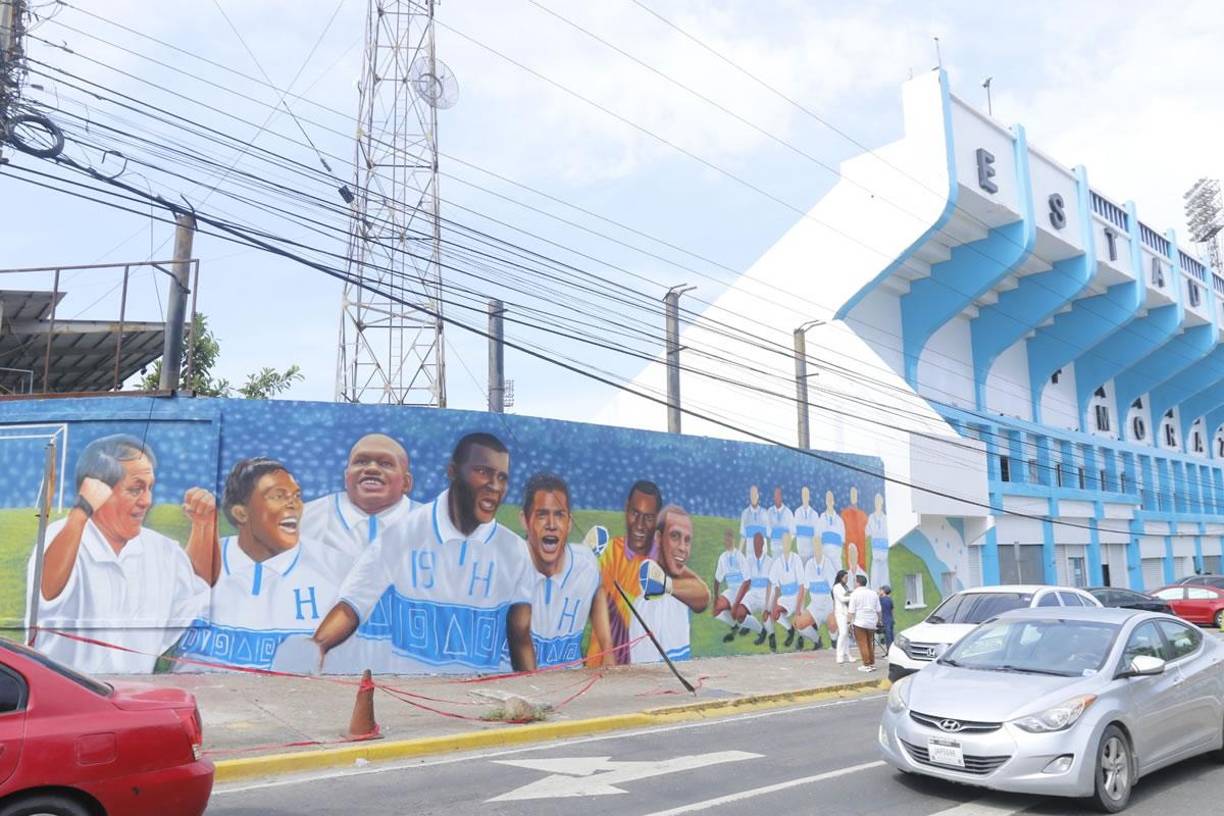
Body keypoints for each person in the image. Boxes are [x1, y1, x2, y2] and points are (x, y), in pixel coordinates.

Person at [301, 432, 536, 674]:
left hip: (478, 699)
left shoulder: (514, 550)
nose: (494, 486)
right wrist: (315, 647)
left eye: (502, 478)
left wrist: (533, 691)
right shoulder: (403, 534)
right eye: (483, 472)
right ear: (453, 471)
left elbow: (520, 635)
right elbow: (351, 606)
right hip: (413, 696)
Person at [25, 434, 215, 674]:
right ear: (96, 490)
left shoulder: (162, 550)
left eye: (149, 488)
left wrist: (203, 526)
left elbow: (196, 590)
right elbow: (47, 590)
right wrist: (82, 511)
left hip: (126, 700)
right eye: (136, 489)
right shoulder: (62, 539)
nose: (147, 501)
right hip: (63, 699)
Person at [177, 458, 349, 671]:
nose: (293, 504)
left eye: (297, 496)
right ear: (241, 513)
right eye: (278, 496)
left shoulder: (333, 568)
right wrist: (202, 525)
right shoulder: (206, 561)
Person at [521, 473, 613, 668]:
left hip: (569, 689)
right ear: (525, 520)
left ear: (569, 523)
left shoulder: (586, 564)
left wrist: (607, 646)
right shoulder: (506, 568)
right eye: (542, 515)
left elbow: (597, 590)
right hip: (517, 689)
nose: (552, 525)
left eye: (559, 515)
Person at [300, 433, 416, 561]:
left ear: (406, 483)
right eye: (361, 461)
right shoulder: (307, 517)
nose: (372, 468)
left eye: (385, 463)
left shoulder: (429, 520)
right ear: (346, 477)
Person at [586, 480, 662, 665]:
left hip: (645, 674)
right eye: (635, 513)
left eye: (649, 518)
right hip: (600, 668)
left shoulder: (663, 564)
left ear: (658, 519)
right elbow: (594, 595)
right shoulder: (609, 552)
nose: (640, 525)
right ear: (627, 509)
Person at [628, 505, 710, 664]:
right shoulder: (645, 606)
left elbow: (704, 596)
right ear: (658, 538)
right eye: (675, 536)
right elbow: (648, 677)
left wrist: (665, 584)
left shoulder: (679, 586)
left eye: (687, 540)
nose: (683, 548)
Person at [731, 533, 773, 647]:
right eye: (754, 544)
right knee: (739, 614)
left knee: (767, 616)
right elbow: (746, 581)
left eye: (759, 543)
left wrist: (769, 603)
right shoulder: (748, 560)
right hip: (753, 593)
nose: (756, 546)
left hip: (765, 594)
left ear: (763, 544)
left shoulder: (770, 561)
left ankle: (770, 635)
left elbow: (772, 584)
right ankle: (761, 631)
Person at [766, 533, 805, 651]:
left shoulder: (796, 559)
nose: (786, 544)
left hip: (797, 595)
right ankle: (790, 630)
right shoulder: (778, 562)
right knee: (774, 612)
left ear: (791, 543)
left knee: (801, 622)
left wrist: (798, 606)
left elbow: (802, 585)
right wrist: (770, 605)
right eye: (784, 542)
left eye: (788, 542)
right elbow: (772, 583)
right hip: (786, 597)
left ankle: (801, 638)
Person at [712, 529, 749, 642]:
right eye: (726, 539)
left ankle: (746, 623)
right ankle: (735, 626)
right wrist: (716, 597)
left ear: (734, 540)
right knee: (716, 610)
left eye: (730, 538)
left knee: (738, 613)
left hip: (742, 592)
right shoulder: (723, 557)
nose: (727, 541)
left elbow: (747, 581)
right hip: (731, 591)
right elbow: (717, 579)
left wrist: (737, 602)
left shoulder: (740, 556)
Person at [791, 550, 833, 650]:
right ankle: (817, 641)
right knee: (797, 623)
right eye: (815, 546)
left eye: (818, 546)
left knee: (834, 624)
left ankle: (835, 642)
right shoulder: (809, 564)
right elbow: (804, 590)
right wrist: (800, 611)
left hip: (828, 605)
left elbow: (834, 588)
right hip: (815, 606)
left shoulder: (828, 564)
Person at [847, 574, 881, 672]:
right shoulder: (873, 593)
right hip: (871, 622)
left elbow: (851, 611)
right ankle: (872, 664)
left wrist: (848, 622)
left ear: (858, 583)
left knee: (863, 644)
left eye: (854, 582)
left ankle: (866, 665)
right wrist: (879, 621)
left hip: (860, 622)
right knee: (869, 643)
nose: (854, 583)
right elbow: (878, 610)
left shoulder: (854, 594)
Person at [841, 487, 868, 583]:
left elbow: (867, 535)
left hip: (861, 550)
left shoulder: (863, 515)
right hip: (850, 546)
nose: (853, 496)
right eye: (852, 494)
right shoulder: (844, 514)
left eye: (855, 494)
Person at [817, 491, 845, 576]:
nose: (829, 501)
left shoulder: (839, 521)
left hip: (836, 560)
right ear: (825, 501)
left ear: (833, 501)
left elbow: (842, 542)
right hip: (825, 560)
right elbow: (818, 540)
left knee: (839, 583)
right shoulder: (821, 519)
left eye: (831, 499)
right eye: (827, 499)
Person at [866, 493, 889, 589]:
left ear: (882, 502)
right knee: (874, 583)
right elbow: (867, 532)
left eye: (879, 501)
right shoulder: (871, 518)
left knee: (885, 584)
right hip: (875, 557)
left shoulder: (886, 519)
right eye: (876, 501)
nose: (878, 503)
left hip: (884, 556)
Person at [765, 486, 794, 559]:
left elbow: (793, 531)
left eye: (779, 495)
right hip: (774, 546)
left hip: (785, 548)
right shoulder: (769, 512)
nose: (777, 497)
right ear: (773, 497)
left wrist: (787, 541)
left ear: (781, 497)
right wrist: (774, 534)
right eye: (775, 496)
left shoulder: (788, 512)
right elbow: (767, 529)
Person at [831, 569, 853, 665]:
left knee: (846, 635)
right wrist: (854, 596)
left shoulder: (846, 587)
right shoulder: (836, 587)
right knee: (843, 633)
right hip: (840, 613)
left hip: (847, 613)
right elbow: (842, 599)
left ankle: (848, 655)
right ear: (840, 578)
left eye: (847, 577)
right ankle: (839, 656)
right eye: (845, 577)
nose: (847, 579)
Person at [792, 487, 818, 562]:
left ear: (809, 497)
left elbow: (816, 536)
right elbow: (794, 532)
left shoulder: (814, 514)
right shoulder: (797, 512)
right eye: (803, 495)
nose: (805, 497)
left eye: (806, 495)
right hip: (800, 553)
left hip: (811, 554)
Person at [739, 485, 768, 554]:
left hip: (762, 552)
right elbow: (743, 536)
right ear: (749, 496)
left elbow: (769, 534)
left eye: (755, 494)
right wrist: (739, 554)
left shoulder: (765, 513)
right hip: (749, 553)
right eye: (751, 494)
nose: (753, 496)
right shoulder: (745, 513)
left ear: (758, 495)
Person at [879, 585, 895, 651]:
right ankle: (893, 651)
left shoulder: (881, 599)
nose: (879, 591)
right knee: (891, 636)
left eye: (880, 590)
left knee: (888, 637)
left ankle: (889, 652)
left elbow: (879, 610)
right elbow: (892, 609)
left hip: (885, 620)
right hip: (890, 619)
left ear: (883, 591)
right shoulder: (890, 599)